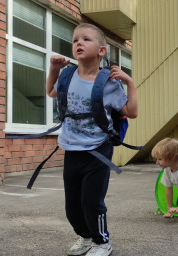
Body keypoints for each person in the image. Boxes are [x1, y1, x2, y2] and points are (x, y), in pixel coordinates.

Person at [45, 23, 138, 256]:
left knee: (92, 203)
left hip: (98, 150)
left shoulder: (109, 82)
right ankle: (86, 237)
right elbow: (51, 91)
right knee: (72, 208)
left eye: (86, 39)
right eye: (75, 39)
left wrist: (130, 82)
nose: (78, 42)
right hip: (71, 150)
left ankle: (101, 242)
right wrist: (53, 69)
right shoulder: (67, 77)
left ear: (101, 51)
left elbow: (132, 111)